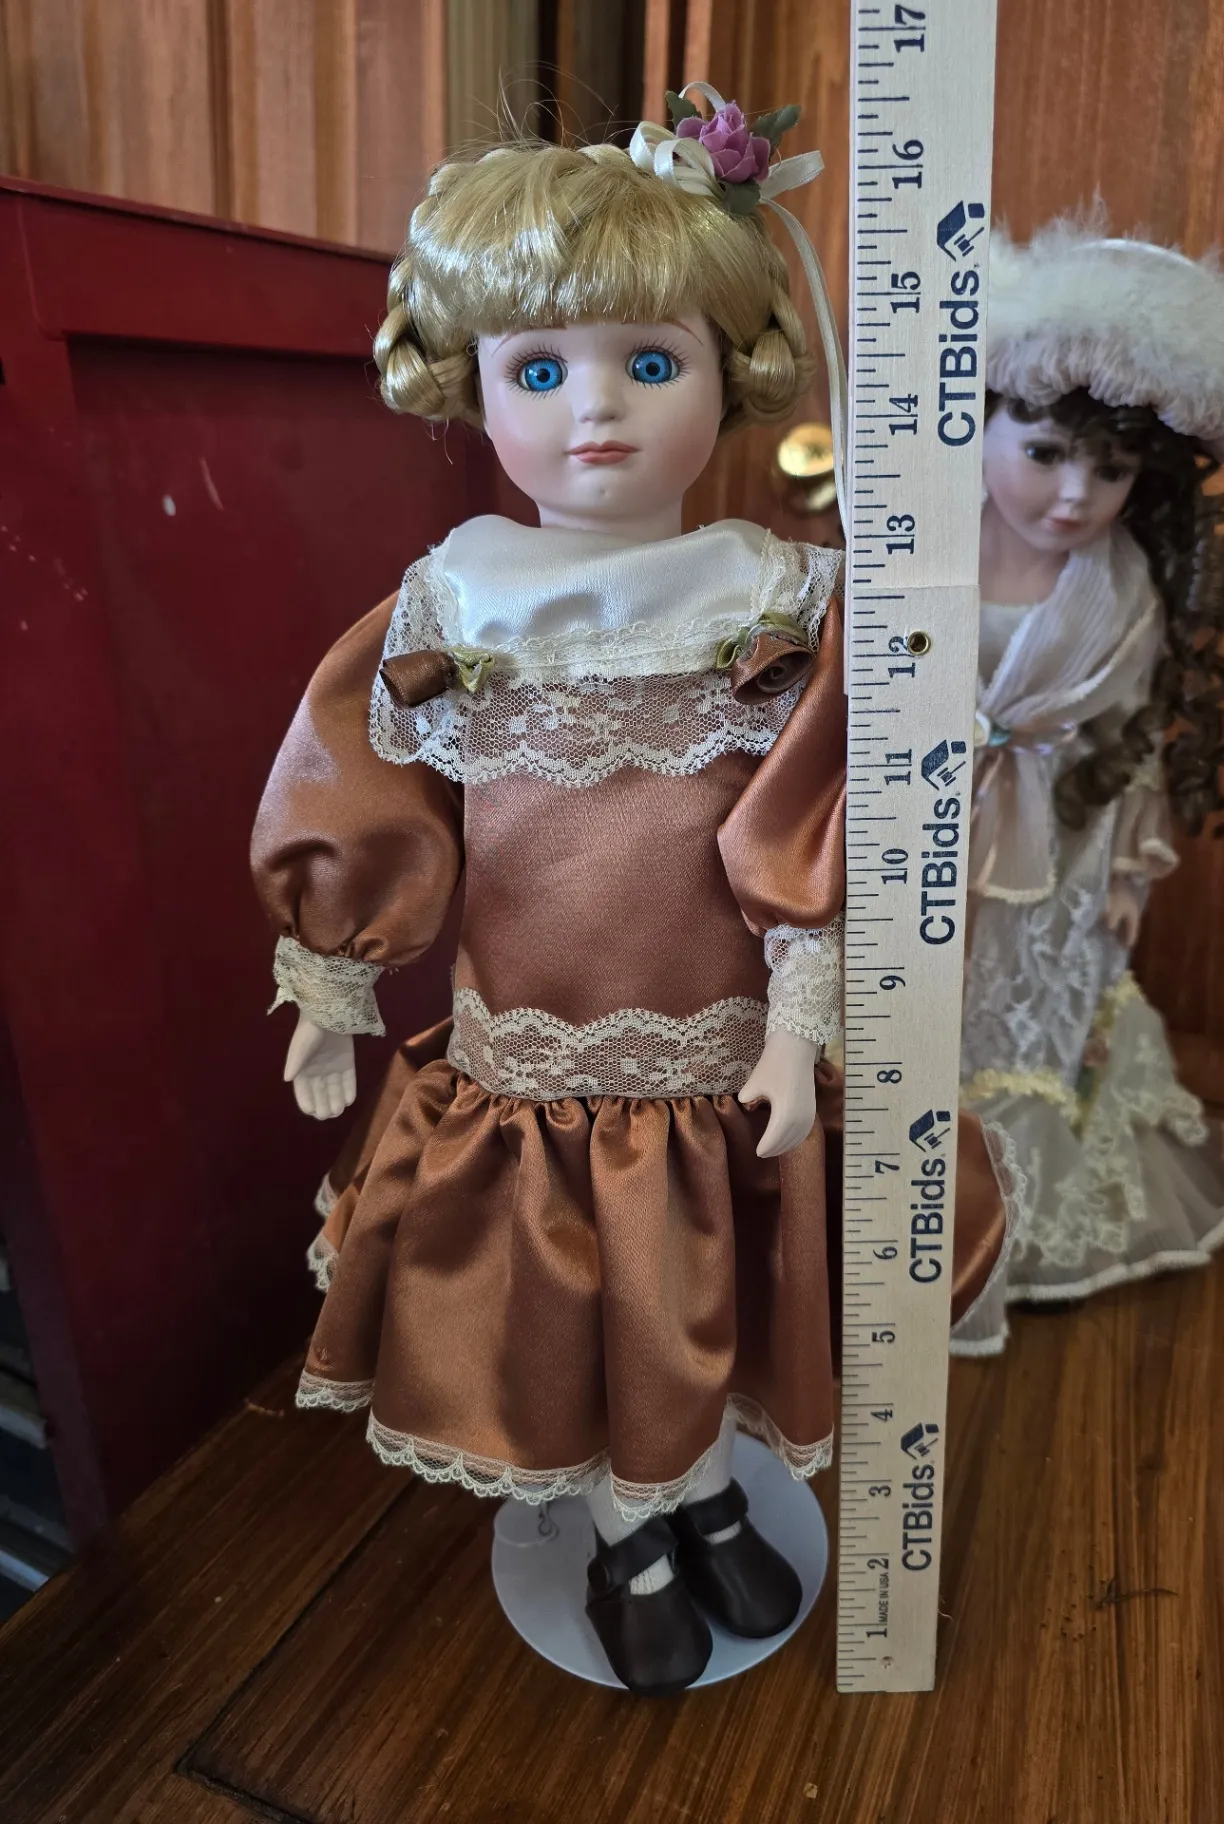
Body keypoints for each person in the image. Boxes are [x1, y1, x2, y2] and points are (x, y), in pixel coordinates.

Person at [250, 89, 1012, 1694]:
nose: (595, 411)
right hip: (537, 1056)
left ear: (729, 375)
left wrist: (799, 1019)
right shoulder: (453, 603)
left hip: (720, 1045)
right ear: (474, 388)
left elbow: (813, 818)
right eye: (540, 371)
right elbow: (368, 796)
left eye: (649, 364)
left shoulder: (776, 602)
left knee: (702, 1291)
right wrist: (334, 977)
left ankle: (705, 1496)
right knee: (576, 1301)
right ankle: (629, 1537)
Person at [951, 219, 1224, 1356]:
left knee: (1027, 1011)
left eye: (1109, 471)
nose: (1073, 497)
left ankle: (1009, 1226)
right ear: (982, 420)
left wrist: (1129, 874)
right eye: (1046, 453)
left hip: (1061, 842)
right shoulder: (920, 550)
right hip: (915, 837)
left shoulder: (1122, 590)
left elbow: (1134, 737)